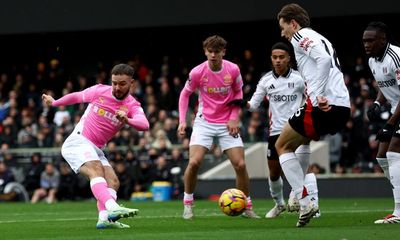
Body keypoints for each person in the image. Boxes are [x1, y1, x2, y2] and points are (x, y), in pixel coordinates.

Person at [42, 63, 150, 229]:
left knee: (113, 182)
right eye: (114, 82)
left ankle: (104, 219)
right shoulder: (100, 91)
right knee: (96, 170)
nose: (117, 87)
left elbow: (144, 124)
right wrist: (55, 102)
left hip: (96, 148)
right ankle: (113, 208)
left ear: (131, 83)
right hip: (78, 142)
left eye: (122, 84)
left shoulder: (132, 105)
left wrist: (127, 120)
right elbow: (77, 96)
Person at [275, 3, 350, 227]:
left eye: (283, 27)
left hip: (324, 104)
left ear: (293, 23)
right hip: (341, 105)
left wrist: (316, 95)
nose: (283, 33)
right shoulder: (320, 37)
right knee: (302, 139)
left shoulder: (301, 35)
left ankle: (304, 199)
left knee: (282, 145)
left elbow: (324, 61)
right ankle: (301, 197)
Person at [232, 41, 320, 218]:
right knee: (273, 173)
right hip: (276, 133)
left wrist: (314, 124)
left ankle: (312, 205)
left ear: (288, 59)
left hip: (298, 129)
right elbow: (253, 105)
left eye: (281, 57)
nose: (278, 60)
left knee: (303, 170)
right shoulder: (266, 80)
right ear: (271, 59)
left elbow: (313, 98)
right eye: (275, 57)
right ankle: (279, 204)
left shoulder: (299, 78)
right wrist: (242, 102)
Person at [177, 35, 260, 219]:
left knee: (240, 164)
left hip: (226, 123)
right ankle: (188, 204)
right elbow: (185, 95)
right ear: (205, 52)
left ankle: (246, 206)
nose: (213, 55)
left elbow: (238, 92)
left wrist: (233, 118)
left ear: (223, 52)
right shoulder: (198, 72)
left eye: (217, 52)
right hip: (204, 122)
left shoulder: (233, 69)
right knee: (194, 162)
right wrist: (182, 120)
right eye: (210, 51)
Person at [363, 21, 400, 224]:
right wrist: (377, 102)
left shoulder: (396, 56)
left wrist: (389, 124)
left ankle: (398, 212)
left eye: (371, 40)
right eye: (364, 41)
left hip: (399, 112)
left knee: (393, 151)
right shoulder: (372, 62)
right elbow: (384, 84)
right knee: (382, 158)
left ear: (383, 39)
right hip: (396, 110)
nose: (366, 44)